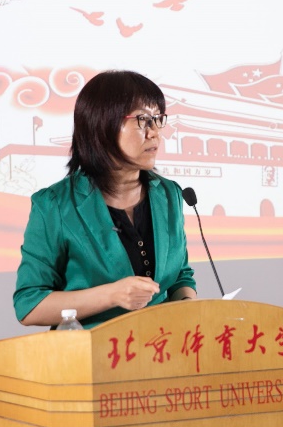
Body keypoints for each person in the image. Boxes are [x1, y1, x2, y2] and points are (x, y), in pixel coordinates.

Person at [13, 70, 198, 328]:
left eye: (158, 119)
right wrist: (111, 295)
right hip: (91, 347)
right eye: (143, 120)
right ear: (102, 125)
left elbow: (180, 277)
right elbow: (29, 305)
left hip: (161, 344)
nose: (155, 132)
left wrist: (188, 305)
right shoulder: (54, 205)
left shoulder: (168, 194)